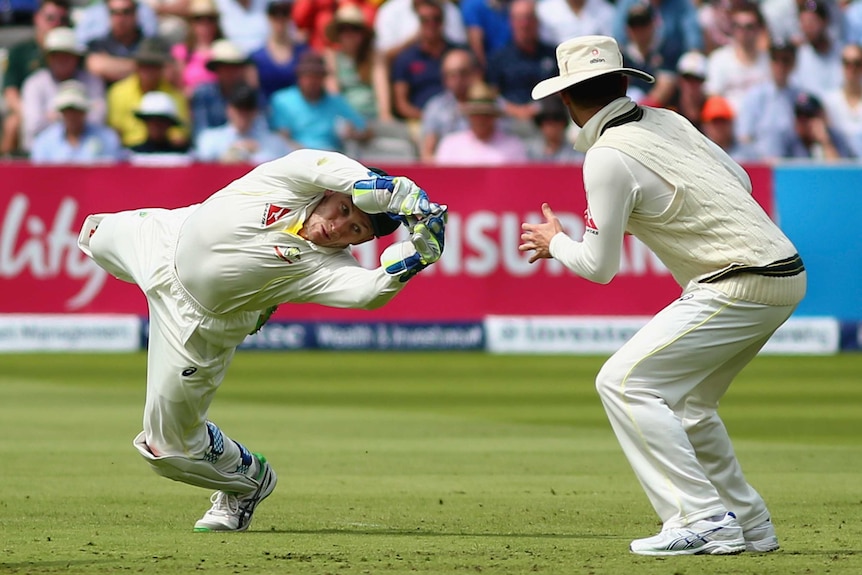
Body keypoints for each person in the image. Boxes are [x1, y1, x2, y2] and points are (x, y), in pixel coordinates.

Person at [519, 35, 806, 556]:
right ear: (625, 82)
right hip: (784, 272)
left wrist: (555, 241)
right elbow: (737, 178)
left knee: (623, 382)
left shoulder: (605, 157)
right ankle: (750, 523)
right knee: (692, 405)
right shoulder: (670, 120)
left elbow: (598, 268)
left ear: (565, 99)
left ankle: (701, 518)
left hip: (736, 278)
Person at [76, 148, 447, 532]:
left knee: (167, 451)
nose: (338, 228)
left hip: (194, 325)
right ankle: (257, 304)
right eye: (343, 210)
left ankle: (249, 480)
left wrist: (417, 257)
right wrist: (386, 189)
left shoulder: (327, 265)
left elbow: (367, 293)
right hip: (163, 237)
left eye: (356, 230)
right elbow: (316, 163)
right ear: (331, 194)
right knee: (92, 234)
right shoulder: (291, 181)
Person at [1, 0, 71, 156]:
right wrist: (31, 113)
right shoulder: (20, 51)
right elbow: (10, 90)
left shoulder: (74, 50)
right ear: (37, 18)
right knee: (13, 123)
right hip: (29, 110)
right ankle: (6, 167)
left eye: (63, 20)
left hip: (69, 110)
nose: (56, 24)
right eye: (50, 18)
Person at [20, 27, 106, 152]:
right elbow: (33, 126)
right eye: (55, 55)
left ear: (77, 57)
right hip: (41, 158)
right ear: (48, 58)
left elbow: (98, 120)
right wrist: (75, 114)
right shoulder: (34, 84)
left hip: (86, 154)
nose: (61, 60)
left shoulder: (93, 82)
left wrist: (54, 116)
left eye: (67, 55)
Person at [269, 51, 370, 151]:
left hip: (331, 156)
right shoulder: (282, 101)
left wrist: (353, 134)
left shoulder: (336, 101)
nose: (312, 81)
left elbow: (366, 131)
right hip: (295, 155)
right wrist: (299, 152)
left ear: (323, 78)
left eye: (317, 76)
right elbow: (281, 136)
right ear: (299, 77)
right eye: (308, 76)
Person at [434, 81, 528, 165]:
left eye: (485, 114)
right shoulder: (450, 145)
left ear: (493, 116)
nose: (480, 119)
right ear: (469, 116)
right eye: (476, 114)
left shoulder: (513, 145)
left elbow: (517, 180)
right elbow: (443, 180)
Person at [30, 80, 124, 164]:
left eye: (77, 109)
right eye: (67, 109)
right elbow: (39, 178)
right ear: (61, 112)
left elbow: (113, 173)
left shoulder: (107, 138)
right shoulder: (44, 142)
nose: (72, 115)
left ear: (85, 111)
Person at [195, 83, 291, 162]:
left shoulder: (273, 142)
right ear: (229, 109)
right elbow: (202, 161)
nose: (243, 114)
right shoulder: (210, 138)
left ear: (255, 112)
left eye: (248, 109)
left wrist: (255, 153)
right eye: (239, 109)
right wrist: (231, 152)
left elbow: (283, 163)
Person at [170, 0, 225, 97]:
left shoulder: (225, 50)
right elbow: (178, 88)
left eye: (210, 19)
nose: (205, 24)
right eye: (199, 19)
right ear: (191, 23)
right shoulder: (182, 52)